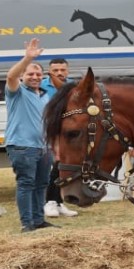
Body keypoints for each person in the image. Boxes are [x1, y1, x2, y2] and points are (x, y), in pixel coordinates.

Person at [4, 39, 56, 233]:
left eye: (38, 74)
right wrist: (28, 58)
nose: (34, 77)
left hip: (43, 147)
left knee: (41, 184)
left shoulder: (43, 95)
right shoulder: (16, 92)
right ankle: (27, 224)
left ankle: (38, 220)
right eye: (30, 74)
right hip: (22, 146)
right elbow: (11, 76)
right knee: (26, 183)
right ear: (23, 76)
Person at [41, 57, 78, 219]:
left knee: (62, 167)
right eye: (55, 70)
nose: (59, 73)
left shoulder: (74, 87)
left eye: (62, 70)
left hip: (67, 134)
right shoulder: (41, 86)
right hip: (48, 133)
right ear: (49, 71)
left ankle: (57, 201)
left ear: (68, 70)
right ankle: (49, 202)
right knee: (54, 167)